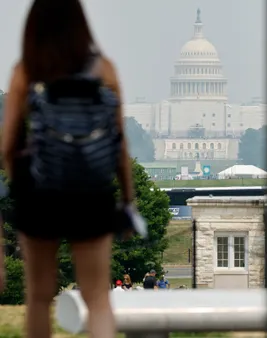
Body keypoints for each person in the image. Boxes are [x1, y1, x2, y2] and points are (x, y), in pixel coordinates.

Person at [1, 1, 135, 337]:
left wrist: (20, 187)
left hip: (40, 194)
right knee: (98, 298)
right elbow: (119, 145)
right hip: (92, 192)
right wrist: (127, 201)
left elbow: (8, 145)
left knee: (39, 297)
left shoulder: (27, 69)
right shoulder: (104, 70)